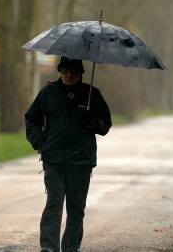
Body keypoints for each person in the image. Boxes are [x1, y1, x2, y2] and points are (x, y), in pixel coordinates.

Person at [25, 56, 112, 252]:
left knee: (76, 209)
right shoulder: (48, 93)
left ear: (81, 73)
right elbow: (32, 119)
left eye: (73, 72)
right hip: (54, 160)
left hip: (81, 162)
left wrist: (92, 122)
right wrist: (39, 142)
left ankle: (71, 248)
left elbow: (105, 125)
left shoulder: (92, 94)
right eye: (65, 72)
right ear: (60, 72)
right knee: (54, 202)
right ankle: (48, 246)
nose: (69, 75)